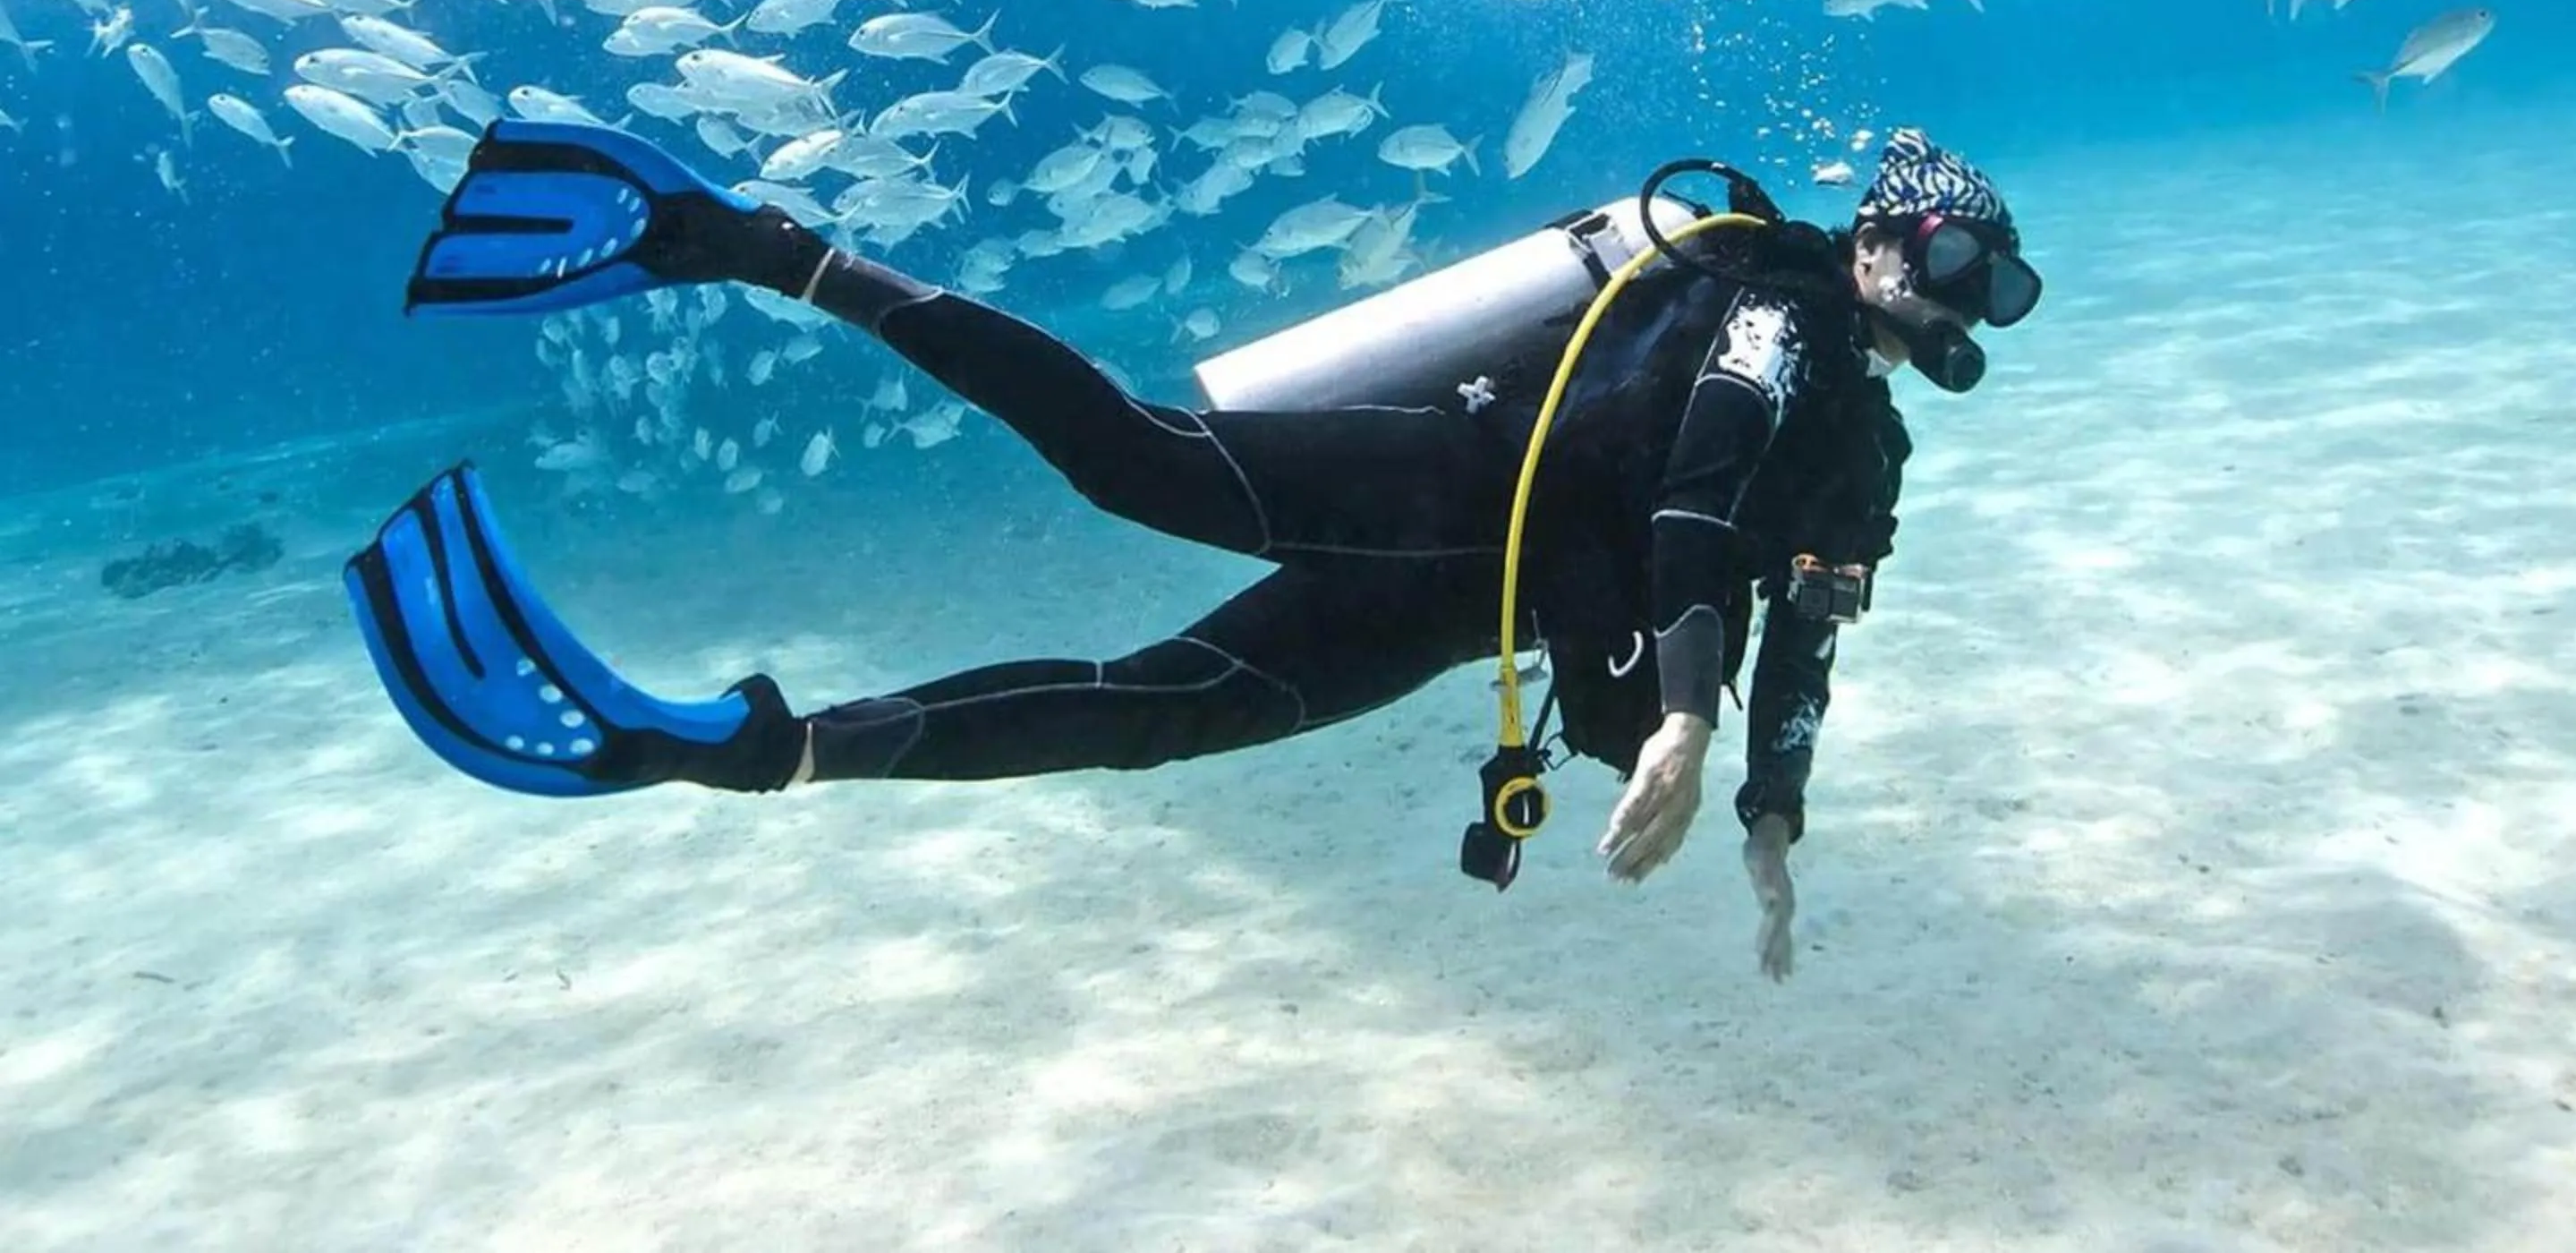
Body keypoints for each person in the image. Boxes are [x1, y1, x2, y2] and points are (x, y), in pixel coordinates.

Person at [350, 122, 2040, 978]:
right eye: (1958, 254)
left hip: (1478, 600)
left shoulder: (1867, 452)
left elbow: (1808, 630)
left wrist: (1770, 816)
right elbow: (1694, 489)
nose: (1966, 299)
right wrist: (1682, 709)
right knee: (1129, 461)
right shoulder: (1779, 305)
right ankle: (747, 242)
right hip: (1455, 482)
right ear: (1882, 229)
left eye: (1997, 287)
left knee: (1160, 708)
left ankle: (759, 751)